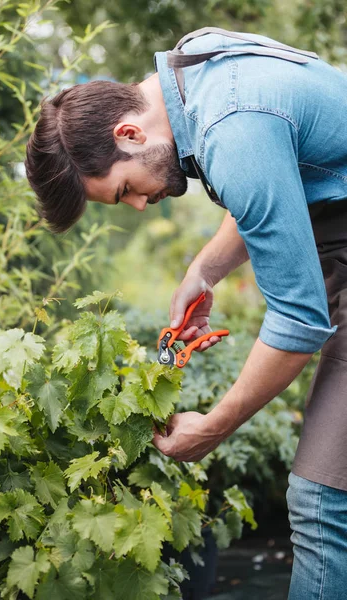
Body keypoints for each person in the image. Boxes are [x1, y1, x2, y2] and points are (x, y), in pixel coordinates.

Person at [25, 28, 347, 599]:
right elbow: (274, 172)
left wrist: (215, 427)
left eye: (125, 190)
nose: (142, 204)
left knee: (323, 499)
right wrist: (204, 270)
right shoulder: (193, 70)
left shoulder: (231, 125)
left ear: (128, 132)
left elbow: (299, 321)